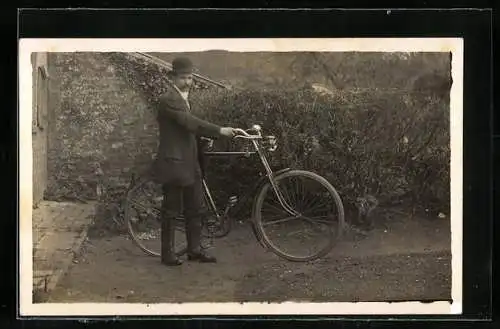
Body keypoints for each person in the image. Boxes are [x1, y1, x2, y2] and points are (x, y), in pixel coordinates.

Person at [152, 57, 236, 266]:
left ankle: (194, 249)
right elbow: (189, 123)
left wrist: (203, 139)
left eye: (190, 77)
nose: (188, 82)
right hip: (175, 162)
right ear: (173, 78)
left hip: (190, 162)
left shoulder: (186, 99)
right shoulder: (169, 99)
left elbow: (189, 129)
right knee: (171, 210)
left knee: (195, 208)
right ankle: (167, 254)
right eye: (183, 77)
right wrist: (219, 130)